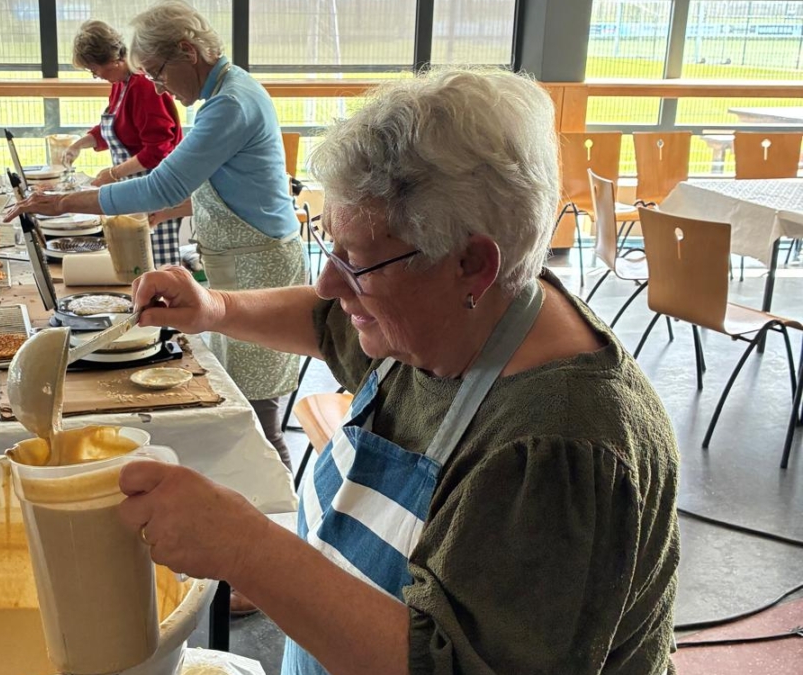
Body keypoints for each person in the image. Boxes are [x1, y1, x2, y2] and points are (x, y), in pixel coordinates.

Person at [115, 69, 681, 674]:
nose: (328, 283)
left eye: (356, 262)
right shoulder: (443, 317)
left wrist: (246, 547)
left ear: (472, 263)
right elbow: (325, 320)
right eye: (328, 246)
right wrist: (216, 308)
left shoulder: (555, 447)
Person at [6, 1, 306, 474]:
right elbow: (231, 188)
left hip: (259, 267)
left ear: (188, 51)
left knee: (256, 419)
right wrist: (170, 211)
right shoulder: (226, 93)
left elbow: (162, 182)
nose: (159, 86)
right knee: (239, 408)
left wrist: (62, 202)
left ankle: (282, 509)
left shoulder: (230, 104)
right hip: (243, 261)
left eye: (158, 72)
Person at [60, 19, 185, 268]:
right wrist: (79, 144)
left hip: (157, 188)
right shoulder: (121, 84)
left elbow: (158, 150)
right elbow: (115, 127)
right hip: (136, 189)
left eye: (95, 69)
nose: (96, 76)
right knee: (136, 263)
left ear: (113, 60)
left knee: (157, 266)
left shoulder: (144, 86)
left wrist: (114, 173)